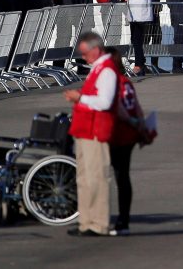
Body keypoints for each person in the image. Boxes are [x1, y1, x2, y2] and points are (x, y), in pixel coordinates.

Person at [63, 32, 118, 237]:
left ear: (95, 50)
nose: (84, 57)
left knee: (96, 178)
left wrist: (81, 98)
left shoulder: (106, 71)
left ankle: (98, 222)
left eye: (85, 53)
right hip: (86, 130)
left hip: (96, 131)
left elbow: (105, 102)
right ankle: (86, 221)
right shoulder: (98, 69)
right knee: (85, 178)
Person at [105, 46, 153, 237]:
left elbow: (117, 107)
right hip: (130, 135)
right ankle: (123, 219)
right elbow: (137, 107)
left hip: (117, 132)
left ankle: (103, 217)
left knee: (105, 175)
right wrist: (141, 125)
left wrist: (132, 121)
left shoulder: (112, 83)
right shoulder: (125, 82)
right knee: (123, 176)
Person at [125, 0, 153, 76]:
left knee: (137, 39)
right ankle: (139, 64)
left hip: (140, 15)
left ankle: (138, 65)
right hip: (134, 14)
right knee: (135, 40)